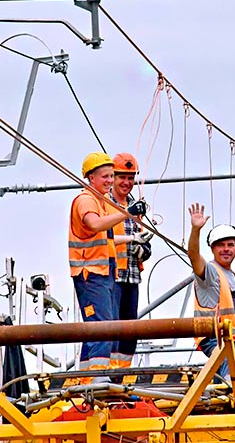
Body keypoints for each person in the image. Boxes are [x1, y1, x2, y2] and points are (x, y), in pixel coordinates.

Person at [68, 151, 146, 376]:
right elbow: (94, 225)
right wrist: (127, 213)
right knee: (101, 326)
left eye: (112, 176)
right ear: (91, 177)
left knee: (107, 326)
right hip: (90, 273)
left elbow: (106, 237)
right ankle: (97, 380)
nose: (110, 181)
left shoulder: (100, 202)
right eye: (106, 177)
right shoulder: (86, 200)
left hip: (104, 272)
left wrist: (134, 239)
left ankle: (103, 377)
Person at [188, 203, 235, 381]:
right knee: (227, 381)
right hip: (216, 337)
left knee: (228, 379)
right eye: (221, 245)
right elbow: (194, 257)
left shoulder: (234, 276)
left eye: (230, 245)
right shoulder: (210, 272)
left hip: (234, 339)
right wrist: (196, 230)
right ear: (212, 248)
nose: (226, 249)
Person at [109, 153, 153, 368]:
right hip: (111, 276)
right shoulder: (105, 203)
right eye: (121, 177)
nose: (126, 183)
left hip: (132, 276)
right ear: (113, 177)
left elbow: (141, 237)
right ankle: (106, 373)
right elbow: (101, 237)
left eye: (130, 177)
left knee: (129, 331)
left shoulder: (136, 205)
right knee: (111, 329)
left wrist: (143, 249)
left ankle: (122, 374)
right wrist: (131, 239)